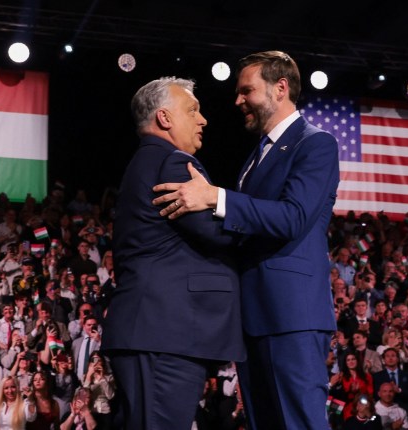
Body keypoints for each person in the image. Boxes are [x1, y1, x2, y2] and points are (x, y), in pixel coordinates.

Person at [151, 50, 340, 430]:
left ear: (280, 88)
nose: (237, 101)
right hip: (254, 316)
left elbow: (292, 217)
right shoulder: (257, 155)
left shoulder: (316, 144)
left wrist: (215, 197)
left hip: (292, 316)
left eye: (246, 91)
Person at [103, 76, 244, 429]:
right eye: (193, 110)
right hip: (163, 333)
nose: (203, 120)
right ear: (164, 118)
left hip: (155, 331)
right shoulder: (173, 163)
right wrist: (264, 216)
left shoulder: (149, 160)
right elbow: (219, 234)